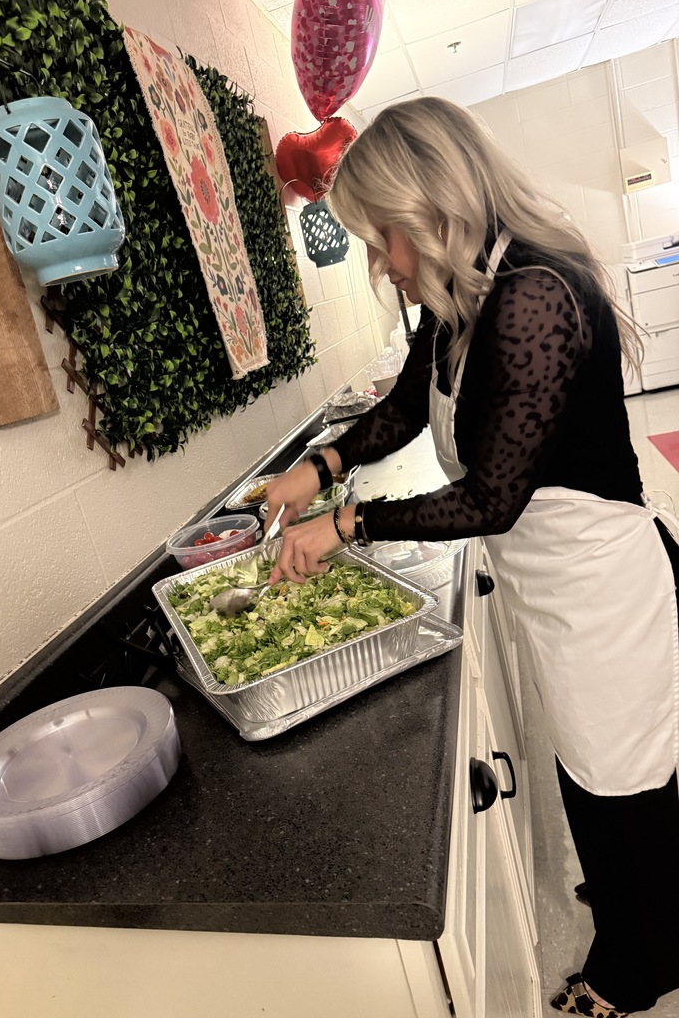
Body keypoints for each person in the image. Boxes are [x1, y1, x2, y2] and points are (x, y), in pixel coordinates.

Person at [264, 96, 679, 1017]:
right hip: (548, 580)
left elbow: (491, 497)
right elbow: (406, 408)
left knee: (624, 778)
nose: (383, 262)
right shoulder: (461, 296)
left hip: (601, 582)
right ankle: (634, 900)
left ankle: (639, 966)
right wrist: (319, 468)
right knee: (588, 765)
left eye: (384, 237)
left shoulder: (535, 295)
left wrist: (347, 525)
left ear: (431, 206)